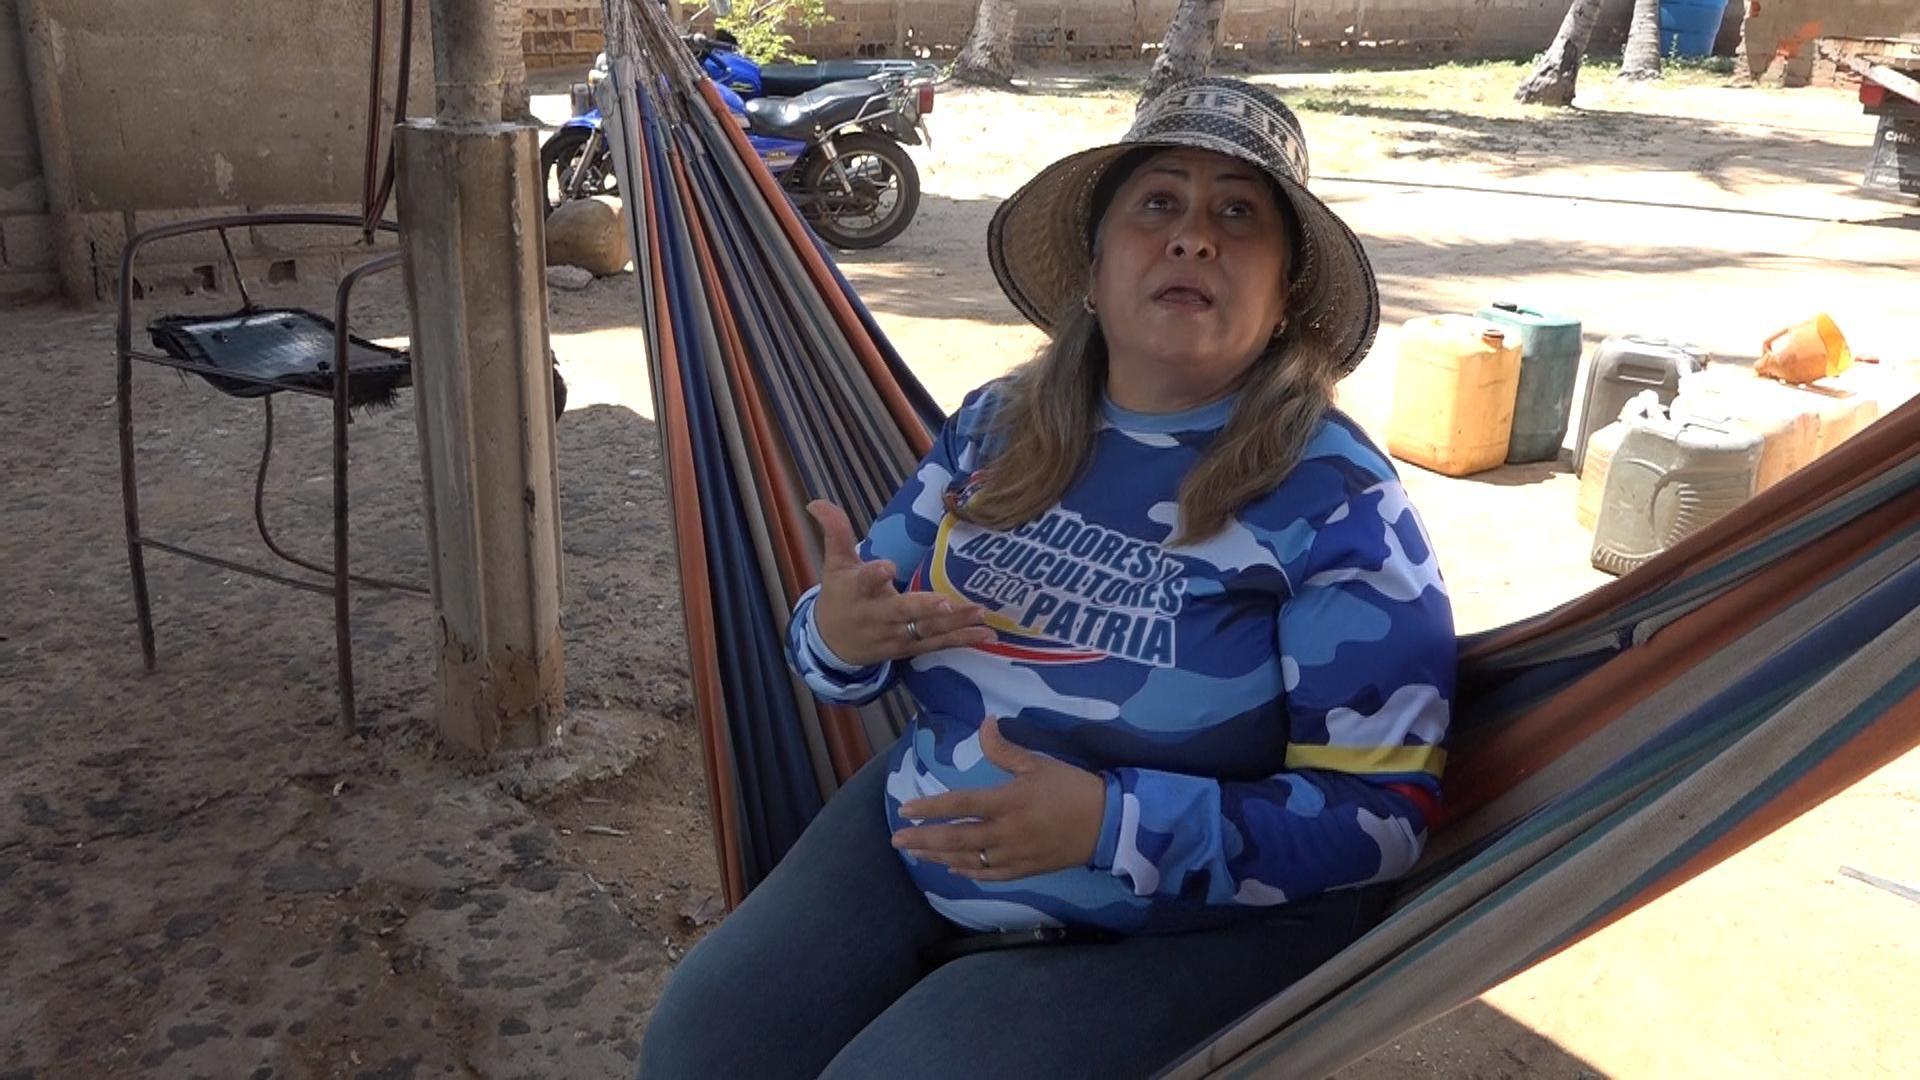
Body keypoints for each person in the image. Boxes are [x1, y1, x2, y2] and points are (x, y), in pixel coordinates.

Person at [639, 77, 1455, 1079]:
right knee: (698, 1047)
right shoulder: (995, 427)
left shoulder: (1334, 499)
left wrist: (1113, 824)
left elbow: (1381, 822)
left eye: (1238, 214)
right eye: (1158, 202)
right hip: (921, 828)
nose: (1194, 236)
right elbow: (836, 651)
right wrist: (839, 637)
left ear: (1285, 296)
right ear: (1095, 269)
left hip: (1169, 923)